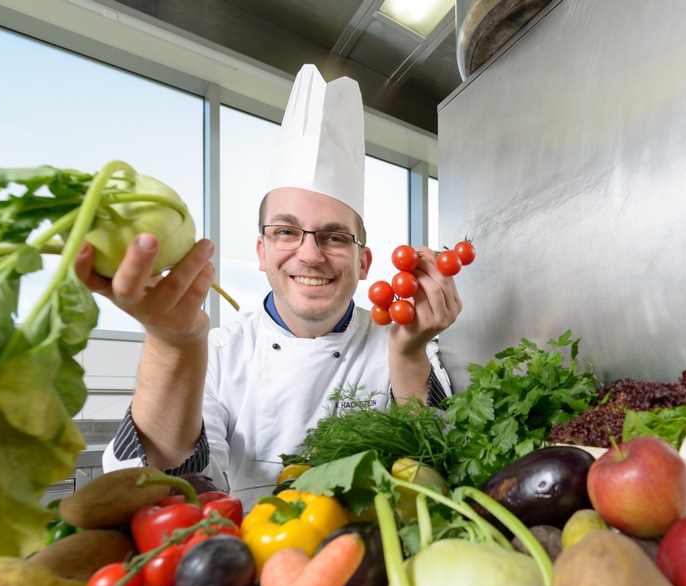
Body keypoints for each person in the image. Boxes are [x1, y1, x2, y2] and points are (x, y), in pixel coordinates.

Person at [74, 65, 462, 506]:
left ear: (364, 261)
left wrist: (409, 355)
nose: (311, 255)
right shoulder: (219, 354)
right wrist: (171, 344)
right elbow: (159, 484)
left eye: (335, 237)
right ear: (261, 252)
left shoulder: (403, 345)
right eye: (286, 231)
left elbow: (438, 469)